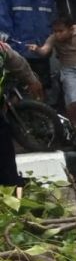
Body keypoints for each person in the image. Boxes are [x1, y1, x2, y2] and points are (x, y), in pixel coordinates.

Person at [0, 0, 56, 93]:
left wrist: (47, 45)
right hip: (17, 56)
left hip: (40, 54)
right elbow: (3, 25)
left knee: (40, 92)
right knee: (15, 94)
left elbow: (54, 23)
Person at [0, 38, 44, 184]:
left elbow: (18, 63)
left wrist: (32, 80)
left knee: (5, 154)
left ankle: (11, 185)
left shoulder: (2, 49)